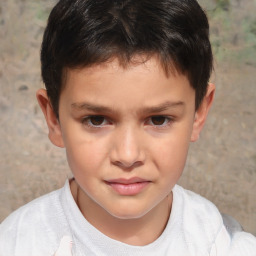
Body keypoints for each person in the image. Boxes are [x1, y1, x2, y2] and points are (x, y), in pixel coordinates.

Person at [0, 0, 255, 255]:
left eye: (158, 119)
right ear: (53, 118)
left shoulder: (223, 244)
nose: (128, 155)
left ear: (199, 113)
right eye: (96, 120)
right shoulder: (17, 244)